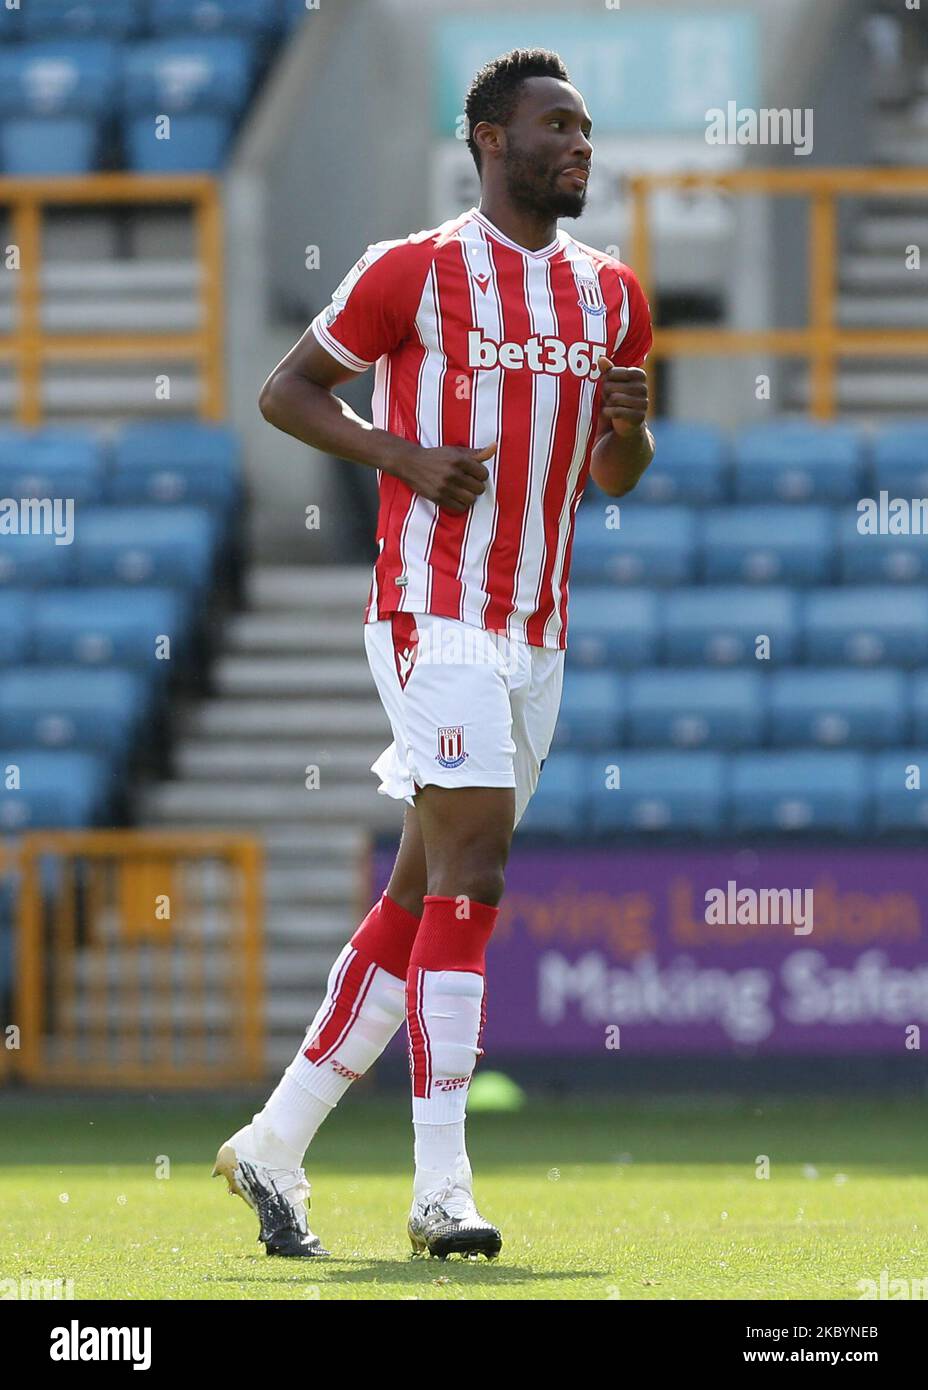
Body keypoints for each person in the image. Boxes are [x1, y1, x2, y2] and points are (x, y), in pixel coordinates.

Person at [214, 46, 654, 1261]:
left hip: (536, 629)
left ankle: (275, 1140)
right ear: (487, 140)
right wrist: (400, 458)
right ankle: (440, 1186)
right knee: (479, 862)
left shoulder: (612, 295)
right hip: (430, 610)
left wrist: (632, 435)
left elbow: (614, 473)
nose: (578, 145)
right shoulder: (412, 271)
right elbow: (287, 390)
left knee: (420, 896)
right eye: (554, 125)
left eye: (583, 127)